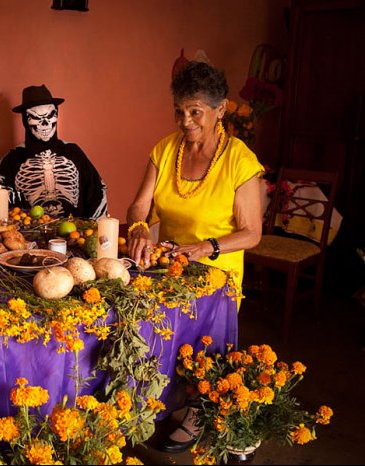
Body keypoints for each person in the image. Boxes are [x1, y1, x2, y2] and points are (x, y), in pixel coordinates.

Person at [125, 61, 264, 453]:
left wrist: (207, 247)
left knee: (201, 346)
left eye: (195, 112)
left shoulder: (240, 160)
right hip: (170, 268)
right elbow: (139, 207)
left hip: (217, 275)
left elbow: (252, 233)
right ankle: (167, 399)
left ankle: (199, 408)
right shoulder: (165, 150)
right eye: (180, 111)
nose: (185, 121)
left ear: (220, 110)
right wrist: (138, 228)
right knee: (146, 320)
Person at [0, 84, 108, 219]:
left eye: (50, 115)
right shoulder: (12, 159)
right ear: (25, 121)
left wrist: (92, 229)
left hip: (74, 234)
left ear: (56, 115)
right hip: (29, 237)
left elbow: (97, 190)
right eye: (36, 117)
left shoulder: (73, 152)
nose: (45, 124)